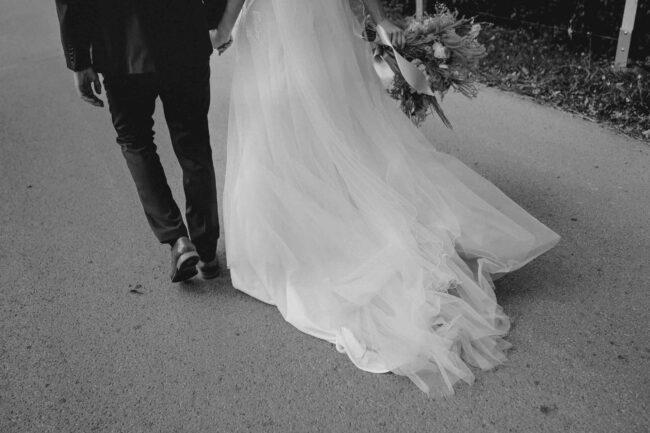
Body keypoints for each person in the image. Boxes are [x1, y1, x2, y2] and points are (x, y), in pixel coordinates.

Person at [234, 0, 560, 396]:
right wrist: (380, 18)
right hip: (323, 20)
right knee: (337, 119)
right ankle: (329, 198)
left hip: (277, 22)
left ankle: (301, 217)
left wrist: (223, 25)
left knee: (283, 123)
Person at [55, 0, 232, 282]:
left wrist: (79, 60)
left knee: (135, 141)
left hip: (120, 44)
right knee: (193, 141)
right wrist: (213, 21)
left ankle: (177, 239)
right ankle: (207, 250)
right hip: (184, 32)